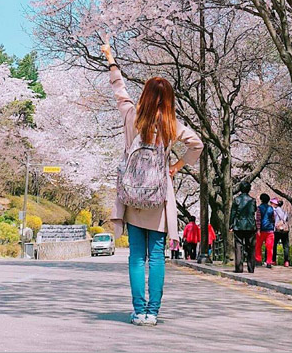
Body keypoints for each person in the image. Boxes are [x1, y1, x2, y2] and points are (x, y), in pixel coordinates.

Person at [101, 39, 204, 326]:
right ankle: (153, 312)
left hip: (132, 197)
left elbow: (119, 91)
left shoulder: (132, 116)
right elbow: (198, 144)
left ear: (145, 95)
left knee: (136, 257)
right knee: (156, 256)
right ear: (169, 99)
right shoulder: (172, 125)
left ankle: (138, 310)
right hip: (158, 198)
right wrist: (175, 166)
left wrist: (111, 59)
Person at [229, 181, 257, 273]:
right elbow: (254, 210)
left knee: (238, 246)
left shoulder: (236, 199)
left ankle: (239, 267)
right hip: (250, 225)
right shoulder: (252, 200)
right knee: (251, 246)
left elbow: (232, 213)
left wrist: (231, 225)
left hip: (238, 225)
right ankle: (251, 267)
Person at [255, 192, 275, 268]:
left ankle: (258, 260)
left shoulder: (259, 208)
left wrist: (258, 229)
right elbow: (273, 219)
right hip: (270, 230)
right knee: (269, 247)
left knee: (258, 246)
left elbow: (258, 219)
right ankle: (269, 262)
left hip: (261, 230)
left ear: (261, 200)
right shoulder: (271, 208)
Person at [271, 198, 290, 267]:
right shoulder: (285, 212)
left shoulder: (274, 211)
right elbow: (287, 220)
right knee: (286, 246)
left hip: (276, 230)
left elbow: (272, 220)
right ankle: (286, 261)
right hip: (285, 230)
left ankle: (273, 260)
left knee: (274, 245)